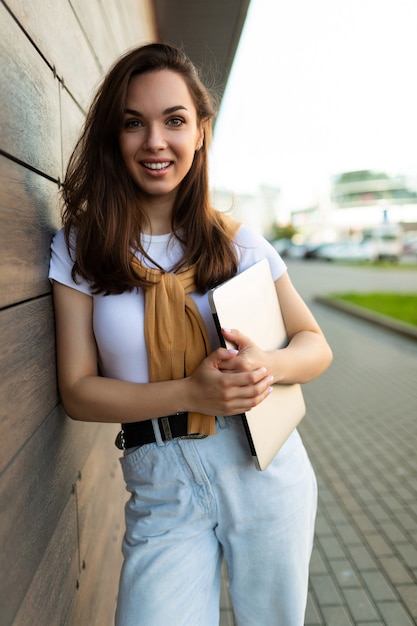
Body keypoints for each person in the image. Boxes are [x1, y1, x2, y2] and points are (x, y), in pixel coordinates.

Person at [49, 43, 332, 626]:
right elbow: (78, 391)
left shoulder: (237, 243)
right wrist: (190, 394)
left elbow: (315, 345)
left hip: (262, 468)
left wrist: (267, 366)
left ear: (200, 132)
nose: (155, 141)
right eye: (134, 123)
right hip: (161, 484)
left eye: (174, 121)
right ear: (114, 136)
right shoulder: (79, 249)